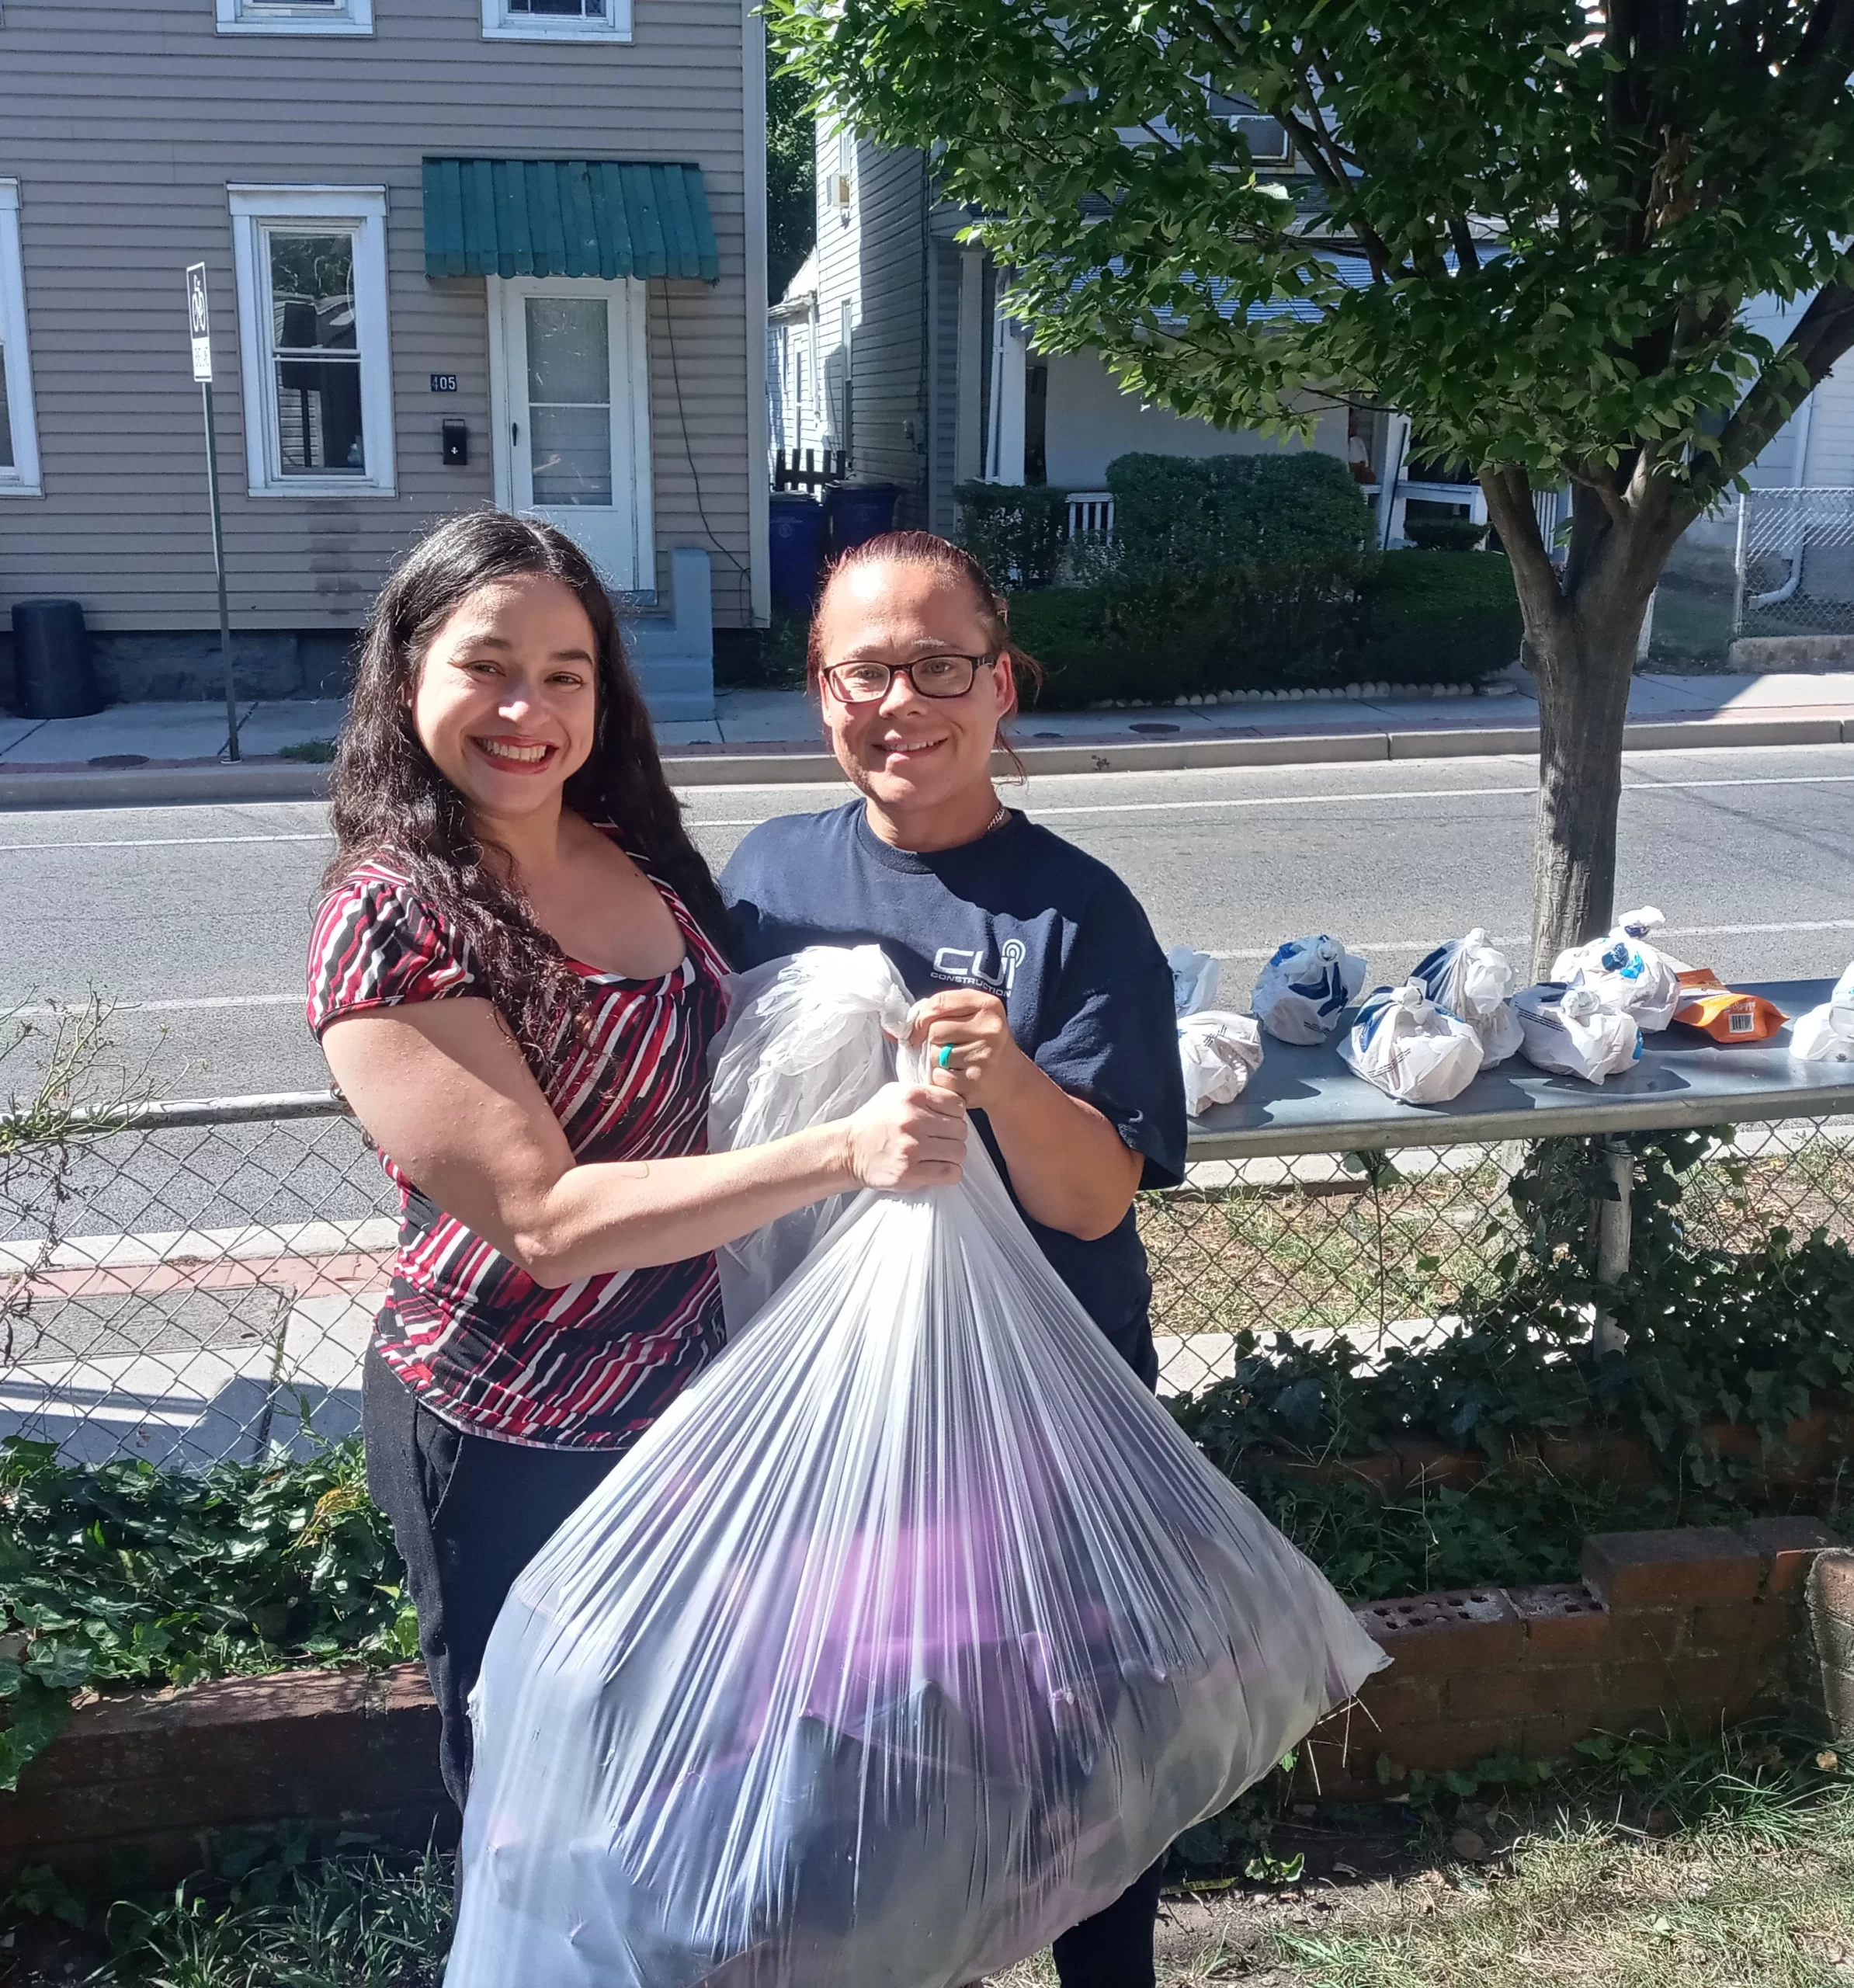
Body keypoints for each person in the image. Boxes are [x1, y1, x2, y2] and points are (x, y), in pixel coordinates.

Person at [305, 511, 965, 1807]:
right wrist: (846, 1149)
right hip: (509, 1433)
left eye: (565, 673)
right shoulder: (388, 915)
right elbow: (546, 1220)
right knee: (538, 1805)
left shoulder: (635, 851)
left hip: (689, 1408)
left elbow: (733, 1069)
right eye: (485, 665)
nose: (525, 708)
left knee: (690, 1783)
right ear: (404, 676)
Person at [721, 529, 1189, 1988]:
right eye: (865, 668)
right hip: (832, 1414)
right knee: (848, 1754)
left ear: (1001, 688)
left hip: (1038, 1424)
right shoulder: (770, 873)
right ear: (820, 690)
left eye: (939, 665)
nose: (900, 700)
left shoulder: (1075, 912)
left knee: (1075, 1762)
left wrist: (1008, 1083)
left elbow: (1098, 1197)